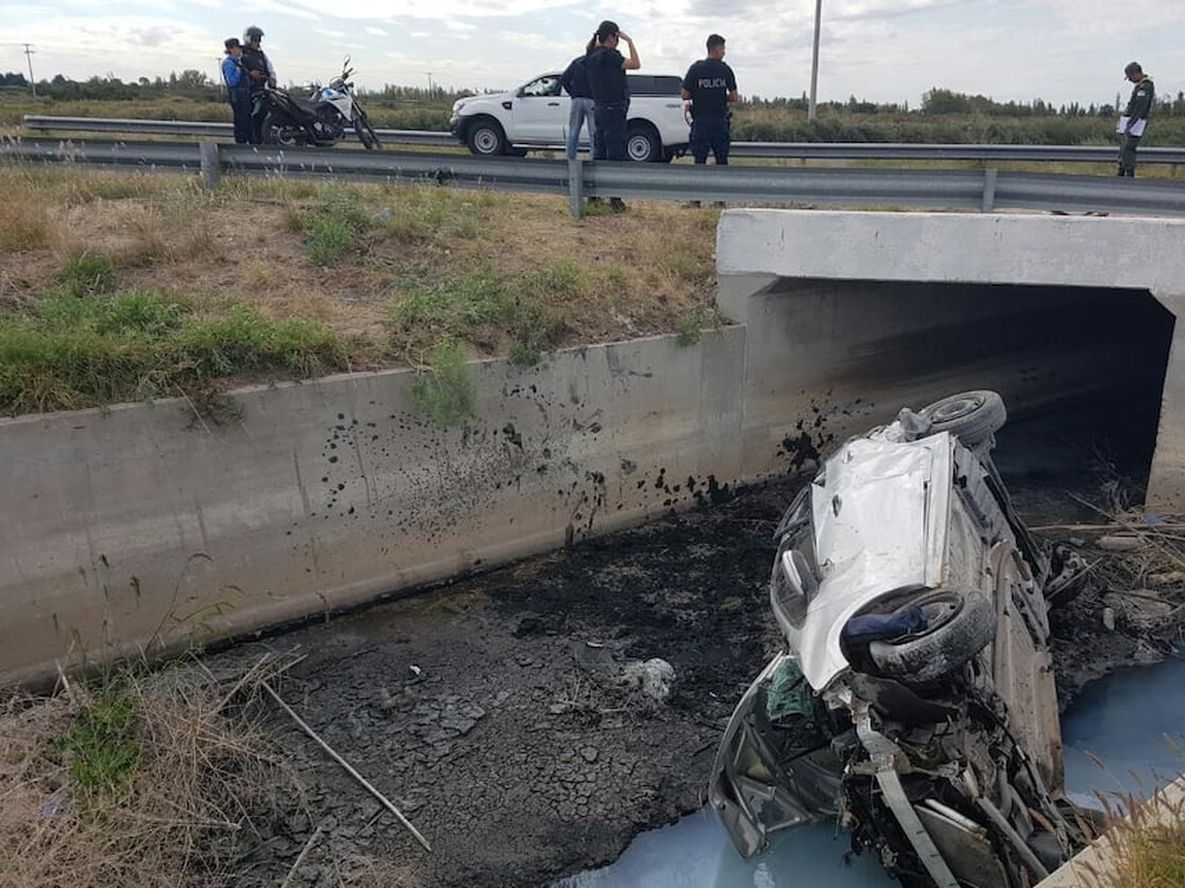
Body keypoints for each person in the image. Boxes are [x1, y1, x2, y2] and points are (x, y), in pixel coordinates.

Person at [585, 20, 640, 212]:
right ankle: (615, 199)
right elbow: (635, 64)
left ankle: (593, 195)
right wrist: (630, 41)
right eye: (617, 37)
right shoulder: (610, 56)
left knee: (599, 151)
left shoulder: (591, 56)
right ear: (612, 37)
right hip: (615, 109)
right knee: (616, 153)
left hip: (599, 108)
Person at [560, 46, 597, 160]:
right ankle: (593, 159)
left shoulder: (577, 61)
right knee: (593, 133)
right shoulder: (597, 63)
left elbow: (564, 79)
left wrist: (573, 94)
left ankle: (570, 159)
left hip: (577, 100)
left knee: (573, 132)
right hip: (592, 100)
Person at [241, 25, 276, 144]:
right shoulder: (242, 54)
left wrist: (272, 79)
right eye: (255, 39)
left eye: (259, 39)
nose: (258, 42)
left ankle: (260, 142)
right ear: (248, 39)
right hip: (248, 91)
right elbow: (238, 69)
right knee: (250, 118)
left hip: (262, 90)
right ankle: (252, 143)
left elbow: (270, 68)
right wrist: (249, 74)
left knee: (262, 117)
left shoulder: (261, 54)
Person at [1118, 62, 1154, 177]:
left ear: (1136, 73)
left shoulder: (1145, 86)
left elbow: (1140, 108)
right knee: (1124, 147)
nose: (1129, 80)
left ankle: (1129, 174)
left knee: (1129, 148)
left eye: (1130, 77)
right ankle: (1121, 171)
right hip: (1133, 122)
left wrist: (1131, 125)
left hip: (1137, 123)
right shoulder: (1140, 85)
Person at [221, 38, 252, 144]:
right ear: (232, 49)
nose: (240, 51)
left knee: (246, 119)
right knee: (240, 120)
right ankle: (240, 143)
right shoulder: (229, 63)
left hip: (244, 94)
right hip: (237, 95)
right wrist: (239, 70)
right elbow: (232, 82)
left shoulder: (238, 62)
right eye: (238, 48)